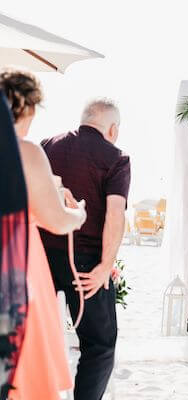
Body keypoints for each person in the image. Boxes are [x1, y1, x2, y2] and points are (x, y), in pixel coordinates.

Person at [0, 69, 86, 400]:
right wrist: (77, 213)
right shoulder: (26, 152)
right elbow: (57, 220)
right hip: (15, 264)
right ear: (28, 108)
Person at [39, 98, 130, 400]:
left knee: (34, 340)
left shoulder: (48, 145)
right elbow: (115, 214)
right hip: (86, 266)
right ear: (113, 128)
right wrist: (106, 266)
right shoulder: (116, 157)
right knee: (100, 345)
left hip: (40, 260)